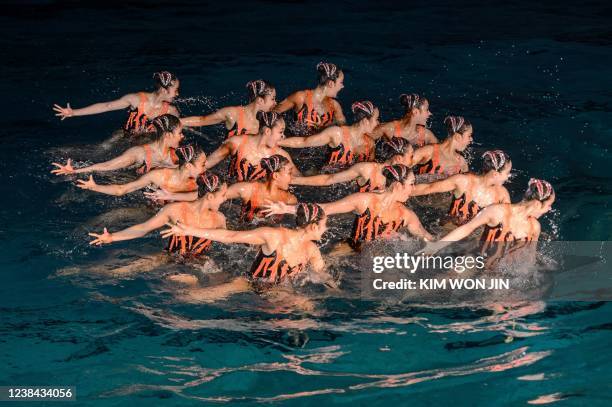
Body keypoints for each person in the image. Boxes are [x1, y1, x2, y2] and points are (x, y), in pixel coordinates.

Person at [160, 203, 334, 308]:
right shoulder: (273, 236)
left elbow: (321, 275)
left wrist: (337, 291)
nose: (326, 229)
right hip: (248, 284)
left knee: (303, 305)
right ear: (313, 227)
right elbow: (231, 236)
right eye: (324, 225)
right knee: (188, 298)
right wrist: (188, 230)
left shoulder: (312, 250)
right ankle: (193, 281)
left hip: (276, 292)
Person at [263, 164, 433, 251]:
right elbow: (325, 208)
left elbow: (428, 238)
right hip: (349, 249)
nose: (414, 188)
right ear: (397, 186)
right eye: (411, 184)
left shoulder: (406, 215)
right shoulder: (365, 200)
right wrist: (286, 208)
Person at [88, 173, 227, 258]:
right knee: (124, 269)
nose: (225, 199)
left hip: (202, 265)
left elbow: (229, 240)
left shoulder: (220, 219)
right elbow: (143, 228)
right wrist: (112, 237)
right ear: (209, 197)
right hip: (169, 259)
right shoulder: (174, 209)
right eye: (223, 195)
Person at [422, 178, 555, 263]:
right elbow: (467, 228)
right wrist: (437, 245)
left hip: (497, 272)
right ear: (537, 204)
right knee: (451, 277)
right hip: (476, 259)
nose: (549, 209)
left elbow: (529, 258)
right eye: (549, 205)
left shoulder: (534, 227)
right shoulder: (497, 211)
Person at [145, 155, 298, 223]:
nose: (292, 177)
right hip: (242, 236)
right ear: (276, 176)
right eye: (289, 173)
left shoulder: (290, 200)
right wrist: (171, 195)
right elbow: (209, 195)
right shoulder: (248, 189)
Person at [51, 114, 185, 176]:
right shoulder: (139, 153)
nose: (183, 136)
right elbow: (108, 165)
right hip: (128, 181)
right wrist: (75, 171)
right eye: (180, 133)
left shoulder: (180, 154)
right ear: (167, 135)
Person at [53, 71, 180, 136]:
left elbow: (177, 132)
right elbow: (106, 106)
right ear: (164, 90)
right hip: (124, 138)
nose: (177, 94)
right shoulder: (135, 99)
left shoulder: (171, 111)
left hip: (145, 147)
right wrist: (74, 112)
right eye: (176, 90)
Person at [411, 150, 512, 225]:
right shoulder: (463, 181)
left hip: (474, 239)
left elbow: (509, 222)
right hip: (448, 231)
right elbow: (428, 188)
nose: (509, 176)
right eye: (507, 173)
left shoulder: (502, 195)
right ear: (495, 174)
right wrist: (402, 192)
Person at [278, 101, 379, 168]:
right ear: (366, 121)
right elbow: (304, 142)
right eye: (376, 119)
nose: (378, 123)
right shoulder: (337, 133)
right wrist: (278, 142)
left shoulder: (370, 144)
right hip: (327, 185)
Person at [291, 137, 414, 193]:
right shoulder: (366, 169)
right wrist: (294, 180)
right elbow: (329, 179)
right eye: (411, 156)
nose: (412, 161)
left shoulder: (406, 180)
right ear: (398, 158)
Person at [205, 111, 300, 181]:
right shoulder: (236, 144)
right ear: (267, 131)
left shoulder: (281, 156)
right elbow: (205, 165)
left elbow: (299, 178)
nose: (283, 136)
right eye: (280, 132)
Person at [75, 145, 206, 196]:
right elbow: (122, 190)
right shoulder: (158, 176)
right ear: (188, 166)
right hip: (149, 212)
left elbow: (201, 197)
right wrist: (95, 187)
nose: (205, 168)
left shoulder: (202, 180)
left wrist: (172, 196)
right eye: (203, 164)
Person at [181, 80, 276, 138]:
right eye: (273, 99)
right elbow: (201, 120)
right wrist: (175, 122)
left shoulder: (268, 121)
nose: (275, 103)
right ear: (260, 100)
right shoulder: (233, 114)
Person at [275, 62, 345, 134]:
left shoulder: (335, 106)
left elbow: (344, 130)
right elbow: (273, 113)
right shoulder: (301, 97)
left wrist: (324, 128)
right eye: (341, 82)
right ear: (331, 83)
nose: (342, 86)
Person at [370, 93, 438, 147]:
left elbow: (440, 152)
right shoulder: (389, 129)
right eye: (427, 110)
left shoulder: (425, 135)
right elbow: (364, 140)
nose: (430, 113)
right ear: (415, 112)